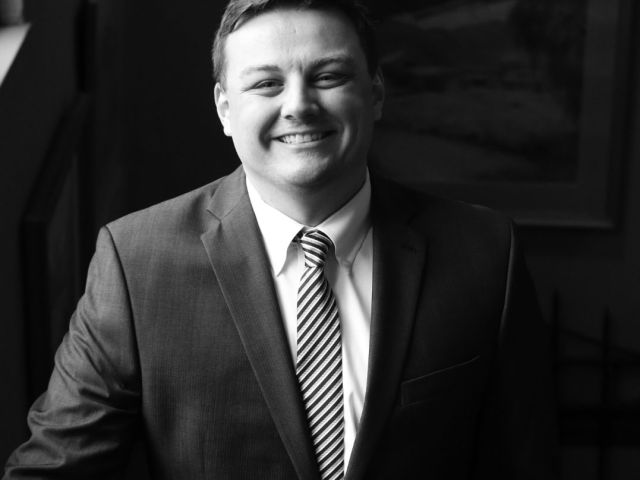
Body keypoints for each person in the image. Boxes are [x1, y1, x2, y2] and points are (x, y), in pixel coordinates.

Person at [4, 0, 557, 478]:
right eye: (267, 83)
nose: (298, 104)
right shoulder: (136, 263)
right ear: (225, 108)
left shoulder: (485, 252)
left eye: (329, 76)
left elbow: (524, 466)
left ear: (377, 93)